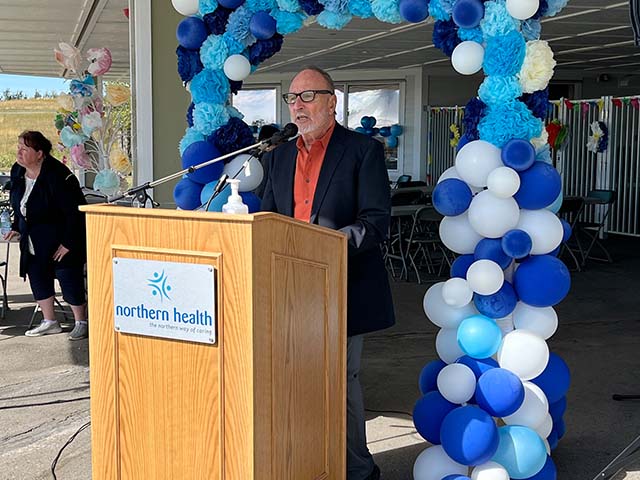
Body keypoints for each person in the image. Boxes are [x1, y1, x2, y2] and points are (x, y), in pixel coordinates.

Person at [260, 66, 395, 480]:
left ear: (331, 102)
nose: (297, 106)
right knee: (294, 377)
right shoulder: (279, 154)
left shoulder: (362, 150)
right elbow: (268, 215)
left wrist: (325, 249)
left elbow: (375, 222)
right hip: (288, 288)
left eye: (307, 96)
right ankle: (307, 460)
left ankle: (358, 469)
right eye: (292, 98)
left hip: (342, 284)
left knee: (340, 379)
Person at [4, 131, 88, 340]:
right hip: (33, 237)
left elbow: (75, 211)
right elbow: (19, 202)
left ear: (40, 153)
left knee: (68, 278)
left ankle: (81, 321)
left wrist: (68, 243)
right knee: (38, 276)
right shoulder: (18, 171)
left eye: (25, 149)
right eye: (18, 147)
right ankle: (49, 321)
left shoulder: (58, 175)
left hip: (61, 237)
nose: (19, 152)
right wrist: (16, 226)